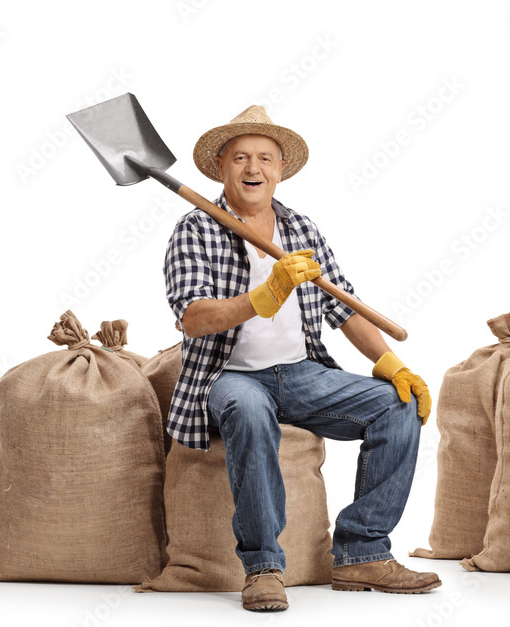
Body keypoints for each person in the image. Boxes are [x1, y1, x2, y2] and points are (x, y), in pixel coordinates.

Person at [164, 105, 440, 611]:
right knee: (248, 411)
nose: (253, 169)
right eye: (241, 157)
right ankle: (263, 567)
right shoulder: (194, 230)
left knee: (396, 405)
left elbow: (345, 308)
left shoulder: (301, 229)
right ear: (220, 167)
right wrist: (264, 295)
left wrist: (392, 364)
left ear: (280, 169)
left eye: (265, 158)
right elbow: (194, 317)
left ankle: (362, 553)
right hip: (229, 376)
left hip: (301, 373)